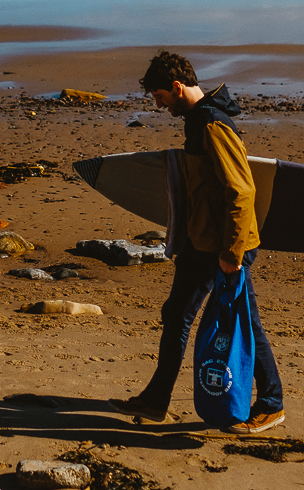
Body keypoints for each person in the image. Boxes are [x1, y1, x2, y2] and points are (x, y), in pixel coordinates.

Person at [109, 50, 285, 434]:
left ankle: (272, 404)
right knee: (176, 315)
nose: (158, 105)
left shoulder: (211, 125)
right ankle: (157, 399)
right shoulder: (195, 121)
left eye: (159, 97)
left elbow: (240, 190)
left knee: (246, 323)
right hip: (201, 240)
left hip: (224, 246)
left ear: (176, 87)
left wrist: (232, 253)